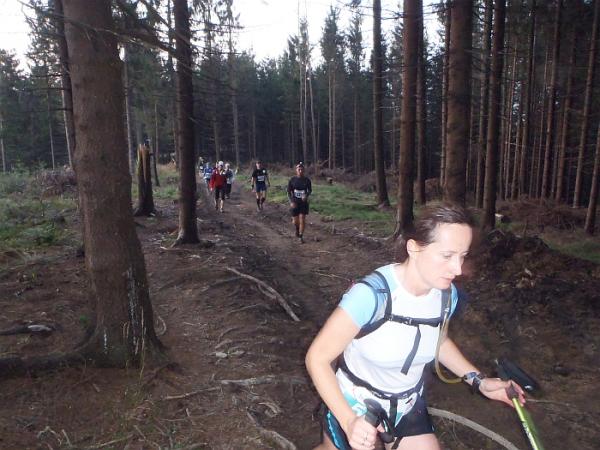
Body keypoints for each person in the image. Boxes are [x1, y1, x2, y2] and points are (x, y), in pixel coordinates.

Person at [305, 203, 526, 450]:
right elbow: (317, 358)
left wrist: (479, 381)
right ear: (414, 248)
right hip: (352, 401)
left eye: (462, 256)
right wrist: (348, 421)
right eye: (447, 256)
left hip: (406, 404)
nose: (457, 269)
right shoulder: (372, 296)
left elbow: (438, 341)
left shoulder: (446, 297)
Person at [287, 162, 312, 243]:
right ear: (296, 170)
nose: (300, 171)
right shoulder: (292, 180)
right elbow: (288, 192)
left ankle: (301, 236)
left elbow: (310, 190)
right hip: (295, 202)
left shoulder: (307, 180)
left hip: (303, 203)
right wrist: (291, 201)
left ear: (304, 170)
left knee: (302, 219)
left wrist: (306, 195)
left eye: (302, 169)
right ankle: (297, 229)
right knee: (295, 221)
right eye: (299, 169)